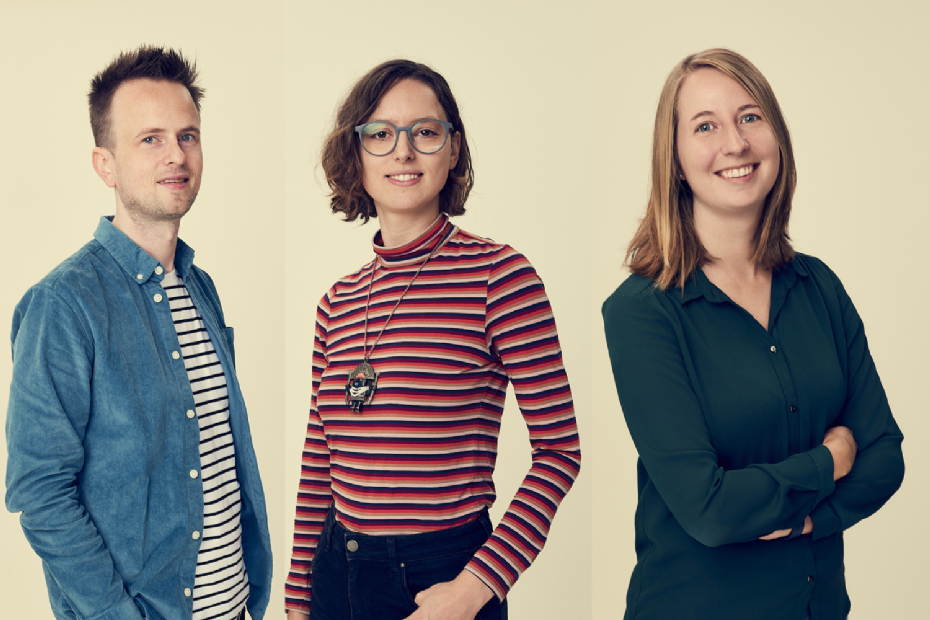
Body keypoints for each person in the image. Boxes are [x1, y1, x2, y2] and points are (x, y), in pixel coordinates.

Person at [601, 48, 904, 620]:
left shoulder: (819, 288)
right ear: (675, 159)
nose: (735, 144)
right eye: (706, 126)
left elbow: (885, 455)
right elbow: (709, 509)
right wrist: (831, 459)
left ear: (776, 136)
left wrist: (810, 518)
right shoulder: (643, 313)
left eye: (750, 117)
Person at [285, 59, 581, 620]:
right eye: (380, 134)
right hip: (335, 572)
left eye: (424, 132)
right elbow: (320, 462)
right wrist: (299, 601)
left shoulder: (501, 276)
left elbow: (560, 452)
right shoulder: (337, 302)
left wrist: (474, 589)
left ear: (453, 149)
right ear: (356, 155)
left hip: (439, 578)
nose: (403, 152)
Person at [4, 46, 272, 620]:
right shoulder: (63, 304)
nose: (176, 154)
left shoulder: (201, 287)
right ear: (105, 164)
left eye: (188, 135)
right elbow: (40, 493)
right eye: (149, 139)